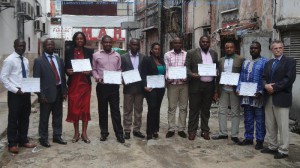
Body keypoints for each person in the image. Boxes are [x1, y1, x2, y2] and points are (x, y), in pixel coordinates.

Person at [261, 40, 296, 159]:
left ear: (283, 49)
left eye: (280, 48)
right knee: (270, 124)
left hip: (281, 97)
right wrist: (265, 85)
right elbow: (263, 77)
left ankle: (284, 149)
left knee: (282, 125)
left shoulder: (290, 62)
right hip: (268, 97)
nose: (278, 50)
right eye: (275, 48)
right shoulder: (268, 63)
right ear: (272, 49)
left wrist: (274, 88)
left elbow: (289, 79)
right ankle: (272, 146)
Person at [0, 39, 36, 154]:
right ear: (14, 46)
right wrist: (15, 90)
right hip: (15, 94)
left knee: (25, 117)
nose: (21, 48)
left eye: (23, 46)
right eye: (19, 45)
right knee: (13, 118)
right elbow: (3, 78)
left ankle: (23, 140)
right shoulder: (9, 60)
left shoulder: (25, 60)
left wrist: (30, 88)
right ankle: (12, 143)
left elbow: (25, 76)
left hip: (25, 93)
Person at [33, 38, 68, 147]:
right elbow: (36, 79)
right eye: (48, 45)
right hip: (46, 94)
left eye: (52, 45)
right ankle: (43, 138)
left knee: (58, 116)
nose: (51, 46)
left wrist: (64, 91)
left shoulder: (59, 59)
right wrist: (40, 94)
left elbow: (62, 76)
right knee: (44, 117)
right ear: (44, 46)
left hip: (58, 91)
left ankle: (57, 136)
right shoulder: (38, 61)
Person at [184, 35, 219, 140]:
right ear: (199, 42)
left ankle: (205, 130)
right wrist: (191, 74)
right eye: (203, 42)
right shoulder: (191, 53)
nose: (205, 44)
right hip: (196, 85)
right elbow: (186, 68)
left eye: (207, 42)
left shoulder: (214, 53)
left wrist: (216, 72)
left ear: (210, 43)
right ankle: (192, 131)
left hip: (209, 86)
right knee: (194, 109)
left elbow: (216, 68)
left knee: (206, 110)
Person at [92, 35, 125, 143]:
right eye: (106, 42)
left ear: (112, 43)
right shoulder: (96, 55)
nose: (108, 44)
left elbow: (119, 69)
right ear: (102, 43)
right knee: (103, 110)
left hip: (114, 86)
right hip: (102, 86)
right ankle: (104, 132)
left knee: (115, 110)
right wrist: (97, 78)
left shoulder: (117, 55)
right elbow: (94, 69)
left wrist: (119, 77)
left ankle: (119, 133)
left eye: (110, 42)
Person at [236, 41, 268, 149]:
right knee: (248, 118)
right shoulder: (246, 62)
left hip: (257, 96)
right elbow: (241, 77)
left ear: (260, 49)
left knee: (259, 119)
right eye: (251, 48)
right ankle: (248, 138)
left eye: (255, 48)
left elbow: (266, 79)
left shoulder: (265, 62)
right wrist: (238, 88)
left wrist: (261, 92)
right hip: (246, 96)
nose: (253, 50)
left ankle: (259, 141)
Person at [212, 41, 245, 144]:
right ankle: (223, 133)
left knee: (235, 112)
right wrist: (216, 91)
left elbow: (243, 75)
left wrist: (241, 88)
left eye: (231, 47)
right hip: (223, 90)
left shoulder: (241, 59)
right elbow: (218, 76)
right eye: (227, 48)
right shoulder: (221, 60)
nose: (229, 49)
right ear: (224, 49)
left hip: (235, 90)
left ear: (234, 48)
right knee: (222, 111)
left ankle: (234, 135)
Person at [64, 32, 94, 143]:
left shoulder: (89, 52)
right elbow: (65, 67)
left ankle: (84, 134)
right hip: (73, 84)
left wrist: (89, 72)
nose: (80, 40)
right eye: (78, 39)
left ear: (84, 40)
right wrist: (68, 72)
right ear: (74, 40)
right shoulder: (68, 51)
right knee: (75, 109)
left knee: (85, 109)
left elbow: (93, 68)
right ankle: (76, 133)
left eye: (82, 38)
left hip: (85, 84)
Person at [121, 38, 145, 139]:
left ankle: (136, 130)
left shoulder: (144, 57)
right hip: (128, 88)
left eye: (137, 45)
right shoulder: (123, 57)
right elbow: (120, 70)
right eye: (133, 45)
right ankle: (126, 130)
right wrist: (122, 79)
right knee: (127, 110)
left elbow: (145, 72)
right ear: (129, 46)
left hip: (140, 88)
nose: (135, 46)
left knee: (138, 110)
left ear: (139, 46)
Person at [164, 37, 188, 138]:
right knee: (171, 107)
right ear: (172, 44)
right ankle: (171, 129)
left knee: (183, 107)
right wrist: (167, 78)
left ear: (182, 44)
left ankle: (181, 129)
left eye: (179, 43)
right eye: (175, 43)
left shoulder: (186, 54)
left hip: (184, 85)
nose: (177, 44)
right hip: (172, 84)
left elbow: (188, 68)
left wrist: (187, 77)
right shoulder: (167, 54)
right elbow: (166, 68)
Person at [141, 42, 166, 140]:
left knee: (157, 109)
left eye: (159, 49)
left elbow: (164, 73)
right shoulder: (147, 60)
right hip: (151, 88)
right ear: (151, 50)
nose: (157, 51)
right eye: (155, 49)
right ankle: (149, 132)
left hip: (160, 88)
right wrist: (144, 86)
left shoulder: (161, 60)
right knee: (152, 108)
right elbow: (142, 74)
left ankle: (155, 129)